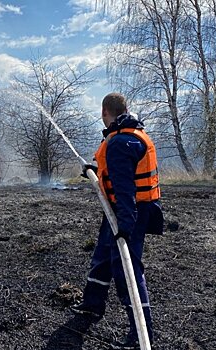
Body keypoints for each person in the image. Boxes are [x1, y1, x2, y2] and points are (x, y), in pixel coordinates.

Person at [72, 93, 164, 350]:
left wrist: (126, 224)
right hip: (123, 208)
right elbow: (119, 175)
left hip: (130, 212)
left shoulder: (121, 142)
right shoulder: (128, 135)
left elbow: (124, 188)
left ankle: (139, 334)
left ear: (104, 112)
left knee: (127, 270)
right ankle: (92, 304)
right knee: (102, 255)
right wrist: (93, 171)